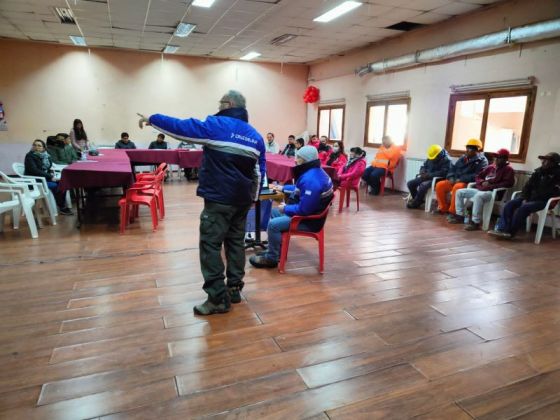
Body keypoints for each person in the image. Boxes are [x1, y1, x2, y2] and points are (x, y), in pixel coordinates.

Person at [138, 90, 266, 315]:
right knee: (235, 243)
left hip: (219, 199)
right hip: (242, 200)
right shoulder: (255, 136)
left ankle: (217, 298)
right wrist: (252, 200)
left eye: (220, 102)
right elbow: (260, 170)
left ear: (228, 103)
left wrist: (153, 119)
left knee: (210, 246)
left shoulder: (218, 125)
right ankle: (234, 289)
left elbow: (183, 128)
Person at [249, 146, 333, 269]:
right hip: (308, 215)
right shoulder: (315, 172)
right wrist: (283, 188)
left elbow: (304, 210)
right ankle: (275, 249)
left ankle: (272, 258)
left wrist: (286, 208)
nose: (295, 160)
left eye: (298, 157)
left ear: (306, 160)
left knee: (273, 224)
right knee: (272, 213)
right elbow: (302, 189)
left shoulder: (311, 179)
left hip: (308, 221)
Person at [489, 152, 560, 239]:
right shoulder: (539, 172)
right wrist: (525, 198)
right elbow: (527, 186)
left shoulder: (558, 175)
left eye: (546, 160)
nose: (543, 162)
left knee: (524, 207)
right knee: (509, 204)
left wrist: (530, 199)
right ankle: (502, 229)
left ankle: (510, 233)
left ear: (554, 163)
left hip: (544, 201)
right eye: (543, 160)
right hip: (530, 198)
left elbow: (550, 193)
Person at [452, 148, 515, 230]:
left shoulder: (508, 169)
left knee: (478, 196)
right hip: (482, 189)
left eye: (499, 158)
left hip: (493, 193)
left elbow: (507, 183)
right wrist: (481, 182)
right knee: (460, 192)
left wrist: (490, 184)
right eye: (496, 157)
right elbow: (478, 176)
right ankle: (460, 215)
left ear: (505, 159)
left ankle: (475, 222)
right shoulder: (491, 167)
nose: (496, 159)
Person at [435, 138, 488, 220]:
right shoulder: (463, 158)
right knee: (440, 185)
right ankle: (443, 208)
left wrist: (461, 179)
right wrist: (451, 177)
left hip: (467, 183)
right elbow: (452, 168)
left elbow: (478, 175)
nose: (466, 151)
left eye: (469, 149)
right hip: (455, 180)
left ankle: (453, 212)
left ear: (477, 150)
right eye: (466, 148)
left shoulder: (482, 161)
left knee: (457, 187)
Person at [24, 139, 73, 215]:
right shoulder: (30, 156)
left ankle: (61, 204)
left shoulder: (46, 156)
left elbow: (48, 168)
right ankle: (62, 207)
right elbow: (35, 170)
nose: (36, 147)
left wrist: (52, 175)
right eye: (34, 145)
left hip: (45, 178)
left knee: (62, 183)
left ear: (43, 148)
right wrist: (50, 177)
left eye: (39, 145)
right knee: (55, 186)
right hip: (35, 181)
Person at [406, 144, 451, 209]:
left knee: (423, 185)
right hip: (426, 176)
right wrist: (422, 171)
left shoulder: (447, 160)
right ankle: (418, 200)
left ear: (439, 155)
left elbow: (443, 173)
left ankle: (416, 203)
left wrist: (429, 175)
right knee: (410, 183)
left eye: (434, 158)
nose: (432, 159)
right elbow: (424, 166)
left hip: (436, 179)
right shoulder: (431, 157)